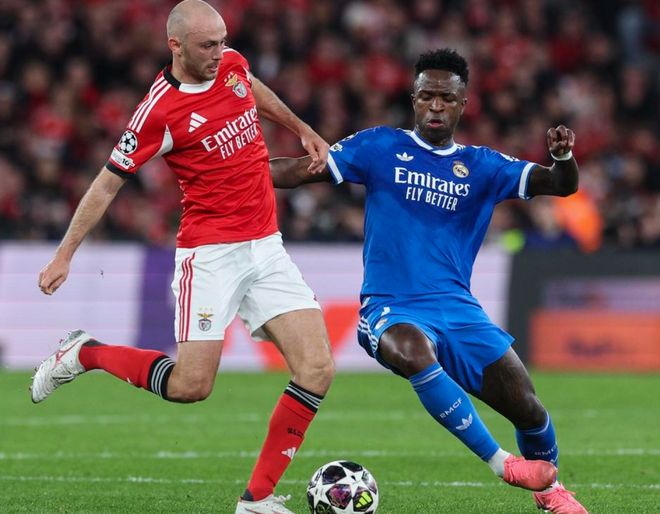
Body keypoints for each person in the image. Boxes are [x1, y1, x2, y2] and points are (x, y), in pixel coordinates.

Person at [31, 2, 334, 513]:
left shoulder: (231, 64)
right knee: (191, 386)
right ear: (175, 46)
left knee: (317, 368)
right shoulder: (158, 111)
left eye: (223, 41)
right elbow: (106, 185)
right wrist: (65, 255)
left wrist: (299, 126)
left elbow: (249, 85)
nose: (220, 53)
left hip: (266, 246)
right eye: (207, 45)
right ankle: (85, 354)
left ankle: (256, 501)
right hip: (210, 255)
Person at [270, 48, 589, 514]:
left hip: (458, 311)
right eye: (426, 96)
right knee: (413, 350)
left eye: (446, 98)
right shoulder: (379, 147)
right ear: (414, 99)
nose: (435, 106)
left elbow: (561, 184)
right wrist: (235, 173)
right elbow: (300, 171)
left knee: (528, 408)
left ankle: (551, 492)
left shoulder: (483, 166)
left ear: (463, 104)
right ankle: (502, 463)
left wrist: (563, 157)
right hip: (391, 306)